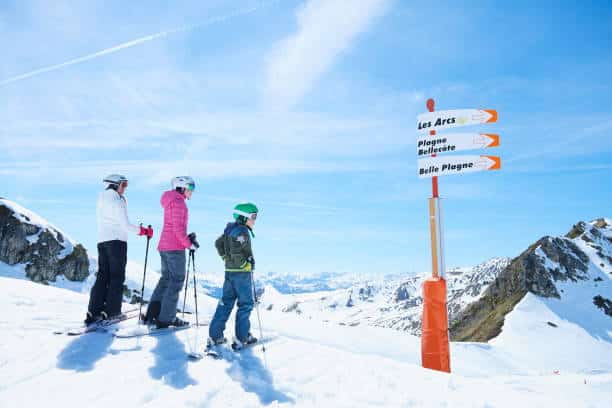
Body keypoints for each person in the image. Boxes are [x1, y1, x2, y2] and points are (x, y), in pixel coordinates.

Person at [86, 174, 153, 325]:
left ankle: (93, 311)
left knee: (103, 276)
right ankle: (112, 312)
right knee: (117, 277)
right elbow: (125, 225)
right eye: (123, 185)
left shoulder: (101, 198)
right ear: (115, 185)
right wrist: (143, 231)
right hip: (117, 242)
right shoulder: (117, 200)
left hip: (102, 241)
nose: (125, 189)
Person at [143, 176, 197, 329]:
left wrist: (187, 240)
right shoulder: (179, 203)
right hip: (175, 248)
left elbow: (174, 227)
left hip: (165, 246)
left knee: (166, 279)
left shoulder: (170, 201)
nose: (192, 191)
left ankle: (153, 314)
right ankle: (166, 318)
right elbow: (178, 229)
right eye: (190, 188)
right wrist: (189, 245)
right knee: (176, 280)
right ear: (182, 188)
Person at [208, 202, 259, 350]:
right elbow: (237, 251)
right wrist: (245, 264)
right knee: (245, 304)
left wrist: (225, 258)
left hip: (229, 272)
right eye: (253, 216)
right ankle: (242, 337)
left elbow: (218, 243)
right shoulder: (242, 231)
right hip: (241, 275)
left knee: (226, 302)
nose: (255, 220)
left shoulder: (230, 229)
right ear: (244, 217)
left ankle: (215, 336)